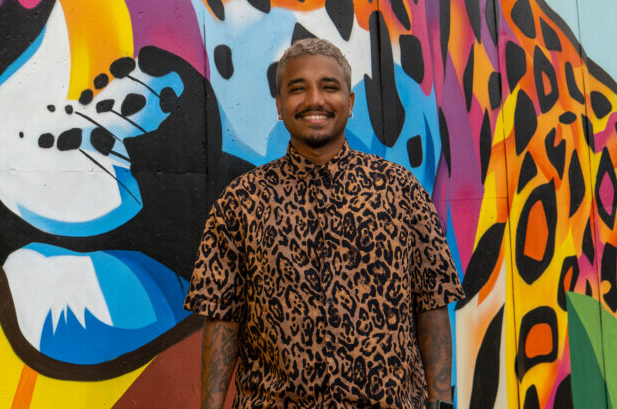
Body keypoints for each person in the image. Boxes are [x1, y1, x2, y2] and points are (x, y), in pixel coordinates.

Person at [184, 38, 463, 409]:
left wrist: (441, 402)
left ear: (350, 102)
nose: (314, 100)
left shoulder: (401, 191)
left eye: (329, 87)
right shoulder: (240, 202)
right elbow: (223, 319)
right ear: (279, 105)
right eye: (298, 89)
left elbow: (432, 301)